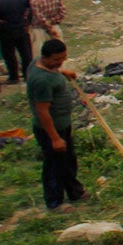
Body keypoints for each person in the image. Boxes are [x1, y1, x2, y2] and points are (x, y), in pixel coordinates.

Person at [26, 37, 85, 210]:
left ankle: (75, 192)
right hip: (51, 130)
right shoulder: (41, 80)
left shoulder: (41, 63)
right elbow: (42, 111)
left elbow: (54, 70)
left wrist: (62, 72)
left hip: (63, 125)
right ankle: (54, 202)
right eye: (57, 60)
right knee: (53, 166)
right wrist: (55, 138)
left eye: (63, 59)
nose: (60, 62)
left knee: (68, 161)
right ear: (46, 57)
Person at [0, 0, 34, 81]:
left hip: (6, 31)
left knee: (9, 55)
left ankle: (13, 76)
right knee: (26, 53)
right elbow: (33, 7)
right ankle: (27, 74)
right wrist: (28, 21)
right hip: (21, 28)